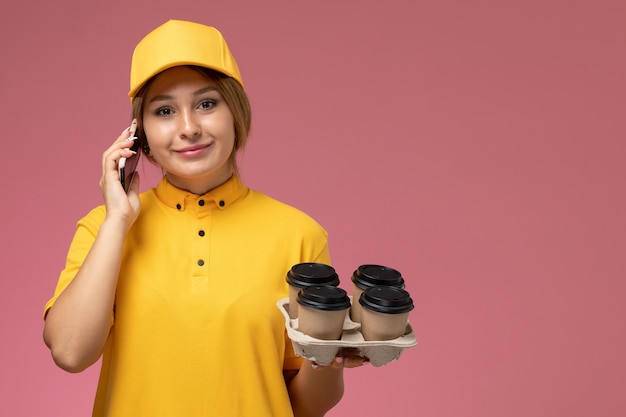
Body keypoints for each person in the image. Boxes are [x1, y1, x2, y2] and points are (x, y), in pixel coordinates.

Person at [43, 19, 367, 417]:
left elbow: (305, 405)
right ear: (137, 135)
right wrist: (117, 222)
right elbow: (70, 353)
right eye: (164, 111)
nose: (189, 128)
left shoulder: (299, 234)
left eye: (207, 103)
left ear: (236, 113)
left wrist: (325, 356)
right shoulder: (103, 227)